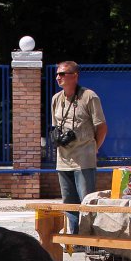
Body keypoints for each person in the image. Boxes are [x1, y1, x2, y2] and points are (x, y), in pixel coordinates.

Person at [51, 61, 107, 233]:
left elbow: (102, 127)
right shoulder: (56, 99)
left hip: (84, 158)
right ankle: (76, 239)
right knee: (69, 202)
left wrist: (94, 147)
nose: (58, 77)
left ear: (75, 76)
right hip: (63, 159)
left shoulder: (89, 96)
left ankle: (91, 238)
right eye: (57, 74)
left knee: (86, 201)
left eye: (62, 74)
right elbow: (55, 128)